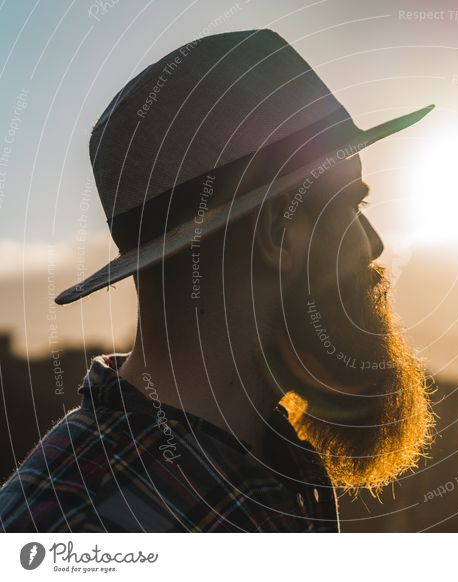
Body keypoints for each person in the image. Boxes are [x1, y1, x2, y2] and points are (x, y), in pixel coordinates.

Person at [0, 29, 435, 532]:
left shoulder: (259, 464)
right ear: (279, 233)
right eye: (352, 207)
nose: (375, 244)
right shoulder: (84, 528)